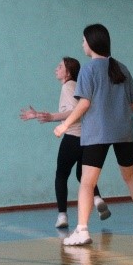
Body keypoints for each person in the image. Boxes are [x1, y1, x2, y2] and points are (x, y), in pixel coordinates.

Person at [54, 24, 133, 245]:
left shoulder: (88, 70)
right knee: (131, 176)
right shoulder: (121, 68)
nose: (82, 44)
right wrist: (120, 116)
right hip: (124, 132)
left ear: (91, 43)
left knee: (87, 183)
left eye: (83, 41)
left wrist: (65, 125)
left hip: (96, 133)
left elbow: (83, 104)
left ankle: (82, 230)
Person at [20, 56, 112, 229]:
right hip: (87, 139)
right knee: (82, 174)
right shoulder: (78, 86)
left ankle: (62, 216)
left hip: (72, 137)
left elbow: (74, 112)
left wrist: (52, 117)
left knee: (61, 175)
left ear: (68, 72)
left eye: (60, 67)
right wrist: (38, 114)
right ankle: (97, 199)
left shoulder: (67, 87)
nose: (56, 69)